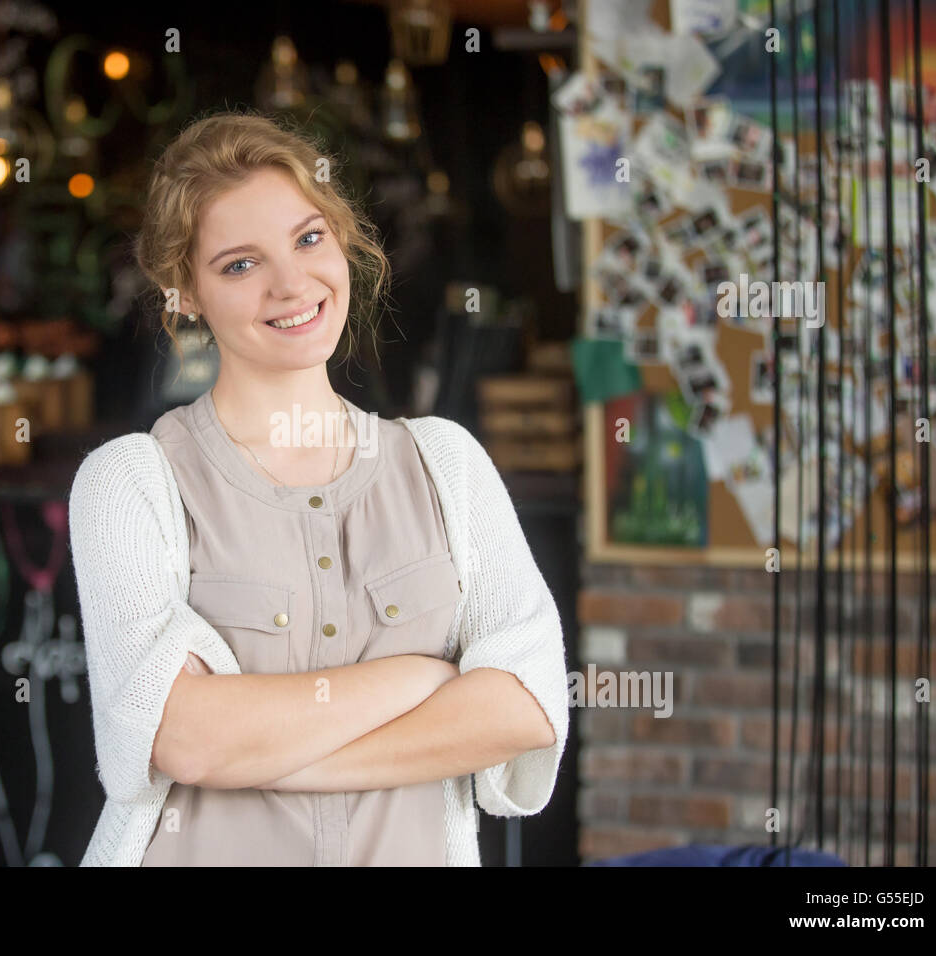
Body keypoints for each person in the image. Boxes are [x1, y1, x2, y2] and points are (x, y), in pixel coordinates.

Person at [69, 110, 568, 866]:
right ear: (184, 291)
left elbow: (527, 704)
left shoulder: (447, 466)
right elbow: (182, 737)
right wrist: (427, 679)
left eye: (308, 238)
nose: (291, 283)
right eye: (240, 264)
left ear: (343, 240)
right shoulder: (130, 483)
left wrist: (270, 755)